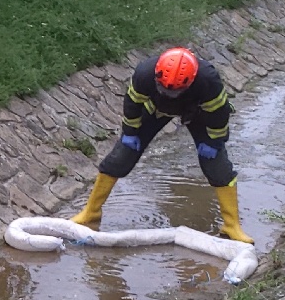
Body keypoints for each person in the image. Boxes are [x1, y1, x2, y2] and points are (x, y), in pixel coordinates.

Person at [71, 46, 254, 243]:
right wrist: (130, 133)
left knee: (217, 167)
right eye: (165, 89)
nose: (169, 93)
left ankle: (231, 226)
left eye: (174, 91)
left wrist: (216, 141)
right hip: (155, 109)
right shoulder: (144, 74)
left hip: (198, 112)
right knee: (121, 157)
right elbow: (132, 105)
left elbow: (219, 115)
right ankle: (90, 213)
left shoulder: (208, 81)